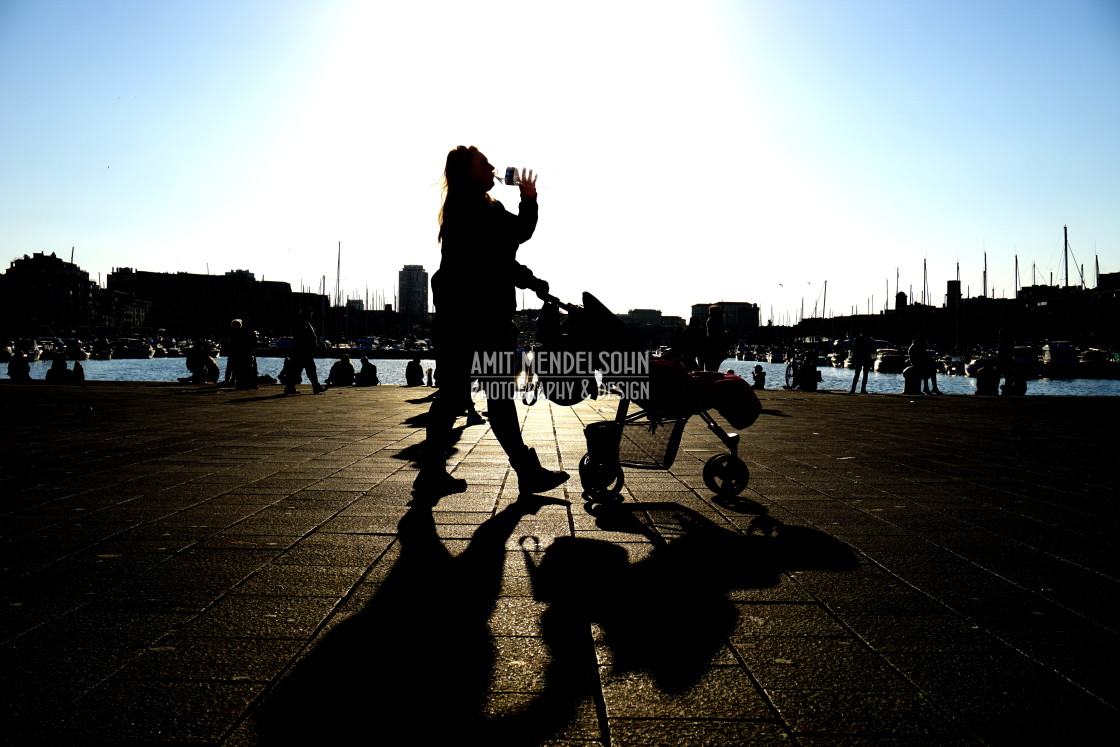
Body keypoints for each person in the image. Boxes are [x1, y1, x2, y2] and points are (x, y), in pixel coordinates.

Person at [414, 145, 568, 498]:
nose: (493, 167)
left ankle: (433, 473)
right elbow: (513, 238)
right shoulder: (474, 207)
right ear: (468, 172)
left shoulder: (468, 206)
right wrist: (528, 200)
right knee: (490, 396)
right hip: (480, 320)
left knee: (455, 396)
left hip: (462, 319)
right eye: (484, 163)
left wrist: (529, 279)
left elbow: (499, 254)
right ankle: (525, 472)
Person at [286, 319, 322, 395]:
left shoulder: (304, 323)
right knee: (310, 370)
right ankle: (316, 387)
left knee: (299, 370)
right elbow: (302, 338)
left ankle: (290, 387)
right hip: (304, 351)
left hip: (304, 351)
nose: (311, 315)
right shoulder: (302, 324)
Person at [224, 319, 258, 389]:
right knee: (244, 369)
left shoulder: (237, 334)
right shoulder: (247, 333)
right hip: (245, 354)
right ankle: (238, 382)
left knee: (233, 368)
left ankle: (233, 381)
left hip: (237, 353)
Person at [702, 305, 729, 372]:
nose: (709, 313)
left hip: (711, 345)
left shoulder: (710, 321)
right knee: (715, 366)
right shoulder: (720, 321)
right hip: (718, 345)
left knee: (710, 366)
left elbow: (711, 333)